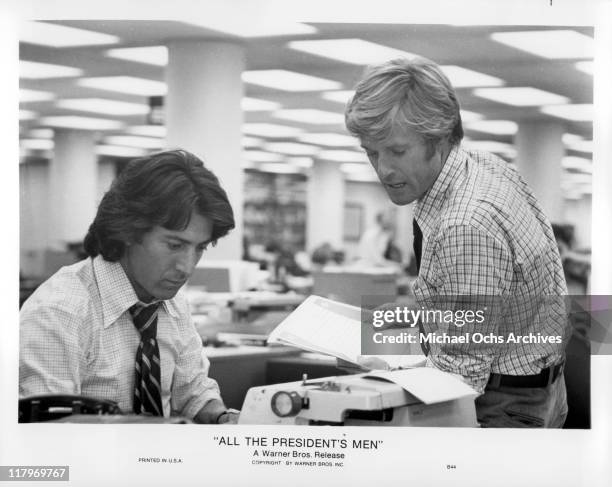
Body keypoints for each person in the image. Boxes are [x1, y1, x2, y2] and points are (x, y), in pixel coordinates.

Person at [345, 57, 570, 428]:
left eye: (397, 151)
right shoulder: (480, 166)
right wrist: (414, 313)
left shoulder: (464, 225)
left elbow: (459, 379)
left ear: (439, 137)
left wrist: (382, 365)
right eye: (372, 152)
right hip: (537, 386)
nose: (382, 169)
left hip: (502, 405)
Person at [20, 149, 239, 424]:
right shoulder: (59, 311)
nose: (187, 267)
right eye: (174, 245)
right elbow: (51, 429)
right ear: (128, 231)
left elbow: (193, 392)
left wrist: (222, 418)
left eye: (200, 248)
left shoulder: (172, 303)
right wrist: (157, 430)